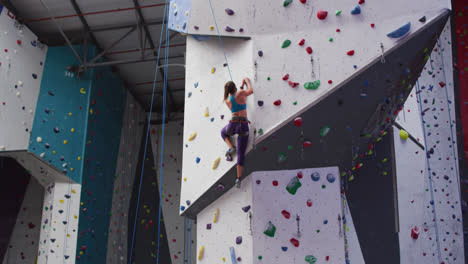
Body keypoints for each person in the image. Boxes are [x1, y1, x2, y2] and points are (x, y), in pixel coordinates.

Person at [221, 77, 253, 188]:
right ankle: (238, 178)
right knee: (241, 154)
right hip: (243, 126)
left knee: (223, 133)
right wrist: (246, 81)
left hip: (232, 125)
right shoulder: (241, 93)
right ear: (235, 87)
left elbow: (236, 99)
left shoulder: (227, 100)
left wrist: (239, 88)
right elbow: (250, 91)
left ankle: (231, 147)